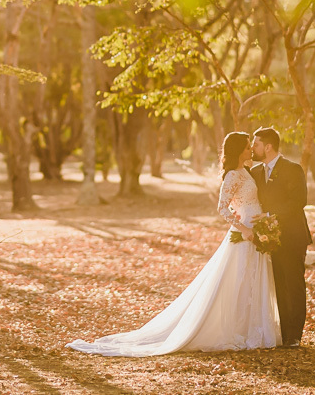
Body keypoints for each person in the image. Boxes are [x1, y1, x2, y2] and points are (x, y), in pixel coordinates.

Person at [66, 132, 281, 356]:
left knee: (252, 280)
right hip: (244, 234)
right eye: (247, 147)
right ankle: (237, 331)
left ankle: (252, 330)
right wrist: (244, 228)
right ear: (238, 151)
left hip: (257, 233)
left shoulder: (246, 172)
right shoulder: (233, 176)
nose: (250, 151)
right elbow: (221, 208)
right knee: (239, 281)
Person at [249, 126, 312, 348]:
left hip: (293, 235)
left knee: (293, 284)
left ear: (268, 147)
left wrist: (268, 215)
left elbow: (298, 202)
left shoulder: (292, 169)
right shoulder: (255, 172)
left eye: (255, 144)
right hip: (268, 240)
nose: (252, 148)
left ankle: (294, 335)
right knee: (278, 285)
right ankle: (283, 333)